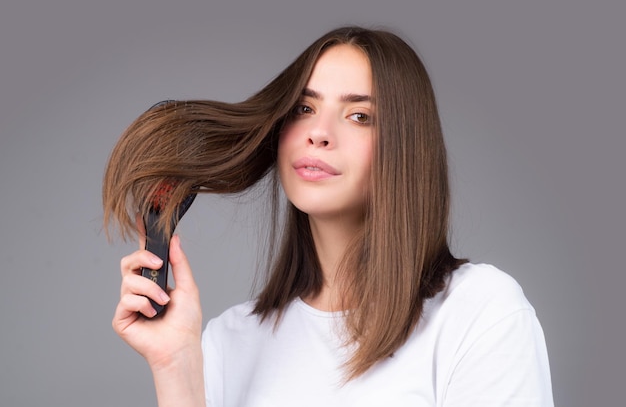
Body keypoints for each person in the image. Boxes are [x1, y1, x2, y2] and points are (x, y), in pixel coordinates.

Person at [103, 26, 554, 406]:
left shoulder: (480, 314)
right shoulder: (227, 343)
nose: (319, 132)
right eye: (304, 108)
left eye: (359, 115)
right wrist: (175, 365)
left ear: (406, 148)